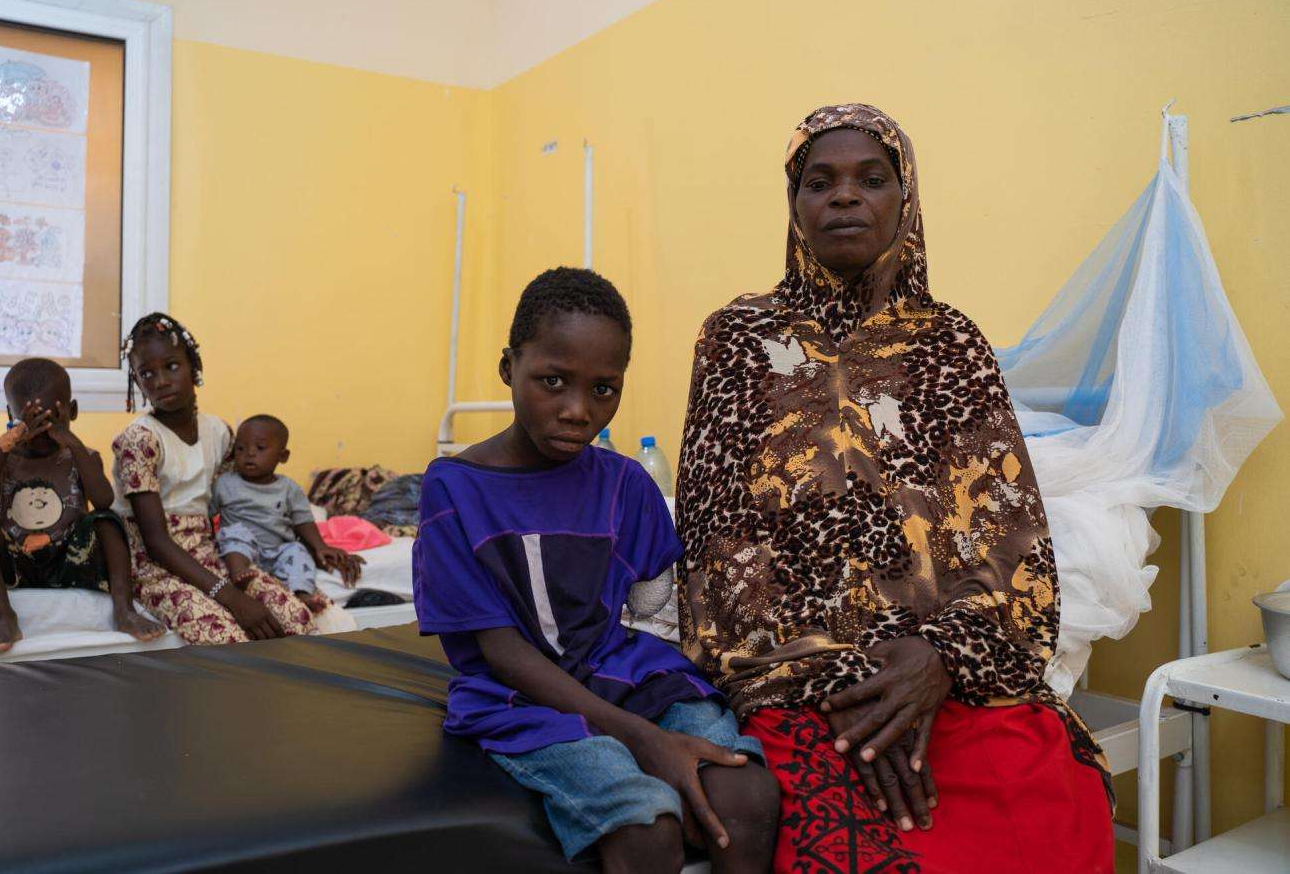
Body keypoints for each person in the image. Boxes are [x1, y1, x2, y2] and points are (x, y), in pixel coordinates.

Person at [677, 105, 1115, 873]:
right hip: (799, 679)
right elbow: (718, 546)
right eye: (821, 181)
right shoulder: (735, 342)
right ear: (795, 204)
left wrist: (938, 657)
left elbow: (1011, 543)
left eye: (870, 178)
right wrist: (845, 678)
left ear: (904, 199)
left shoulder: (953, 346)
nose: (844, 197)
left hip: (947, 672)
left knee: (1054, 797)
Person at [413, 268, 779, 873]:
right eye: (552, 382)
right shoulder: (455, 489)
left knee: (747, 790)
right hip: (521, 696)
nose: (578, 411)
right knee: (646, 820)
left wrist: (668, 705)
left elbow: (655, 608)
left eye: (604, 389)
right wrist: (642, 740)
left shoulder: (625, 483)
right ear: (509, 368)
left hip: (624, 673)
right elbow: (501, 652)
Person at [111, 313, 327, 644]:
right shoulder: (140, 440)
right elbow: (156, 543)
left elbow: (235, 501)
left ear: (193, 368)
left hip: (214, 555)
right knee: (227, 637)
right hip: (157, 566)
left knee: (296, 619)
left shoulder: (219, 432)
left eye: (171, 366)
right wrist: (229, 596)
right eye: (146, 373)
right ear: (138, 383)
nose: (161, 381)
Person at [0, 358, 164, 656]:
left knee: (107, 520)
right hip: (18, 564)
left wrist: (73, 443)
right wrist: (5, 445)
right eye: (31, 421)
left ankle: (123, 610)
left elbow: (104, 500)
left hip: (73, 559)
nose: (43, 432)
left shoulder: (82, 455)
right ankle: (3, 617)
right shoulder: (2, 457)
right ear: (11, 415)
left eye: (52, 420)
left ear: (73, 411)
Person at [213, 413, 364, 599]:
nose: (249, 453)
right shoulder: (225, 483)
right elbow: (206, 514)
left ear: (282, 456)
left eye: (260, 448)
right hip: (242, 553)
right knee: (234, 534)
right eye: (240, 449)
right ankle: (239, 575)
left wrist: (320, 546)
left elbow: (303, 521)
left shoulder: (288, 488)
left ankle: (301, 593)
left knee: (298, 551)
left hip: (278, 551)